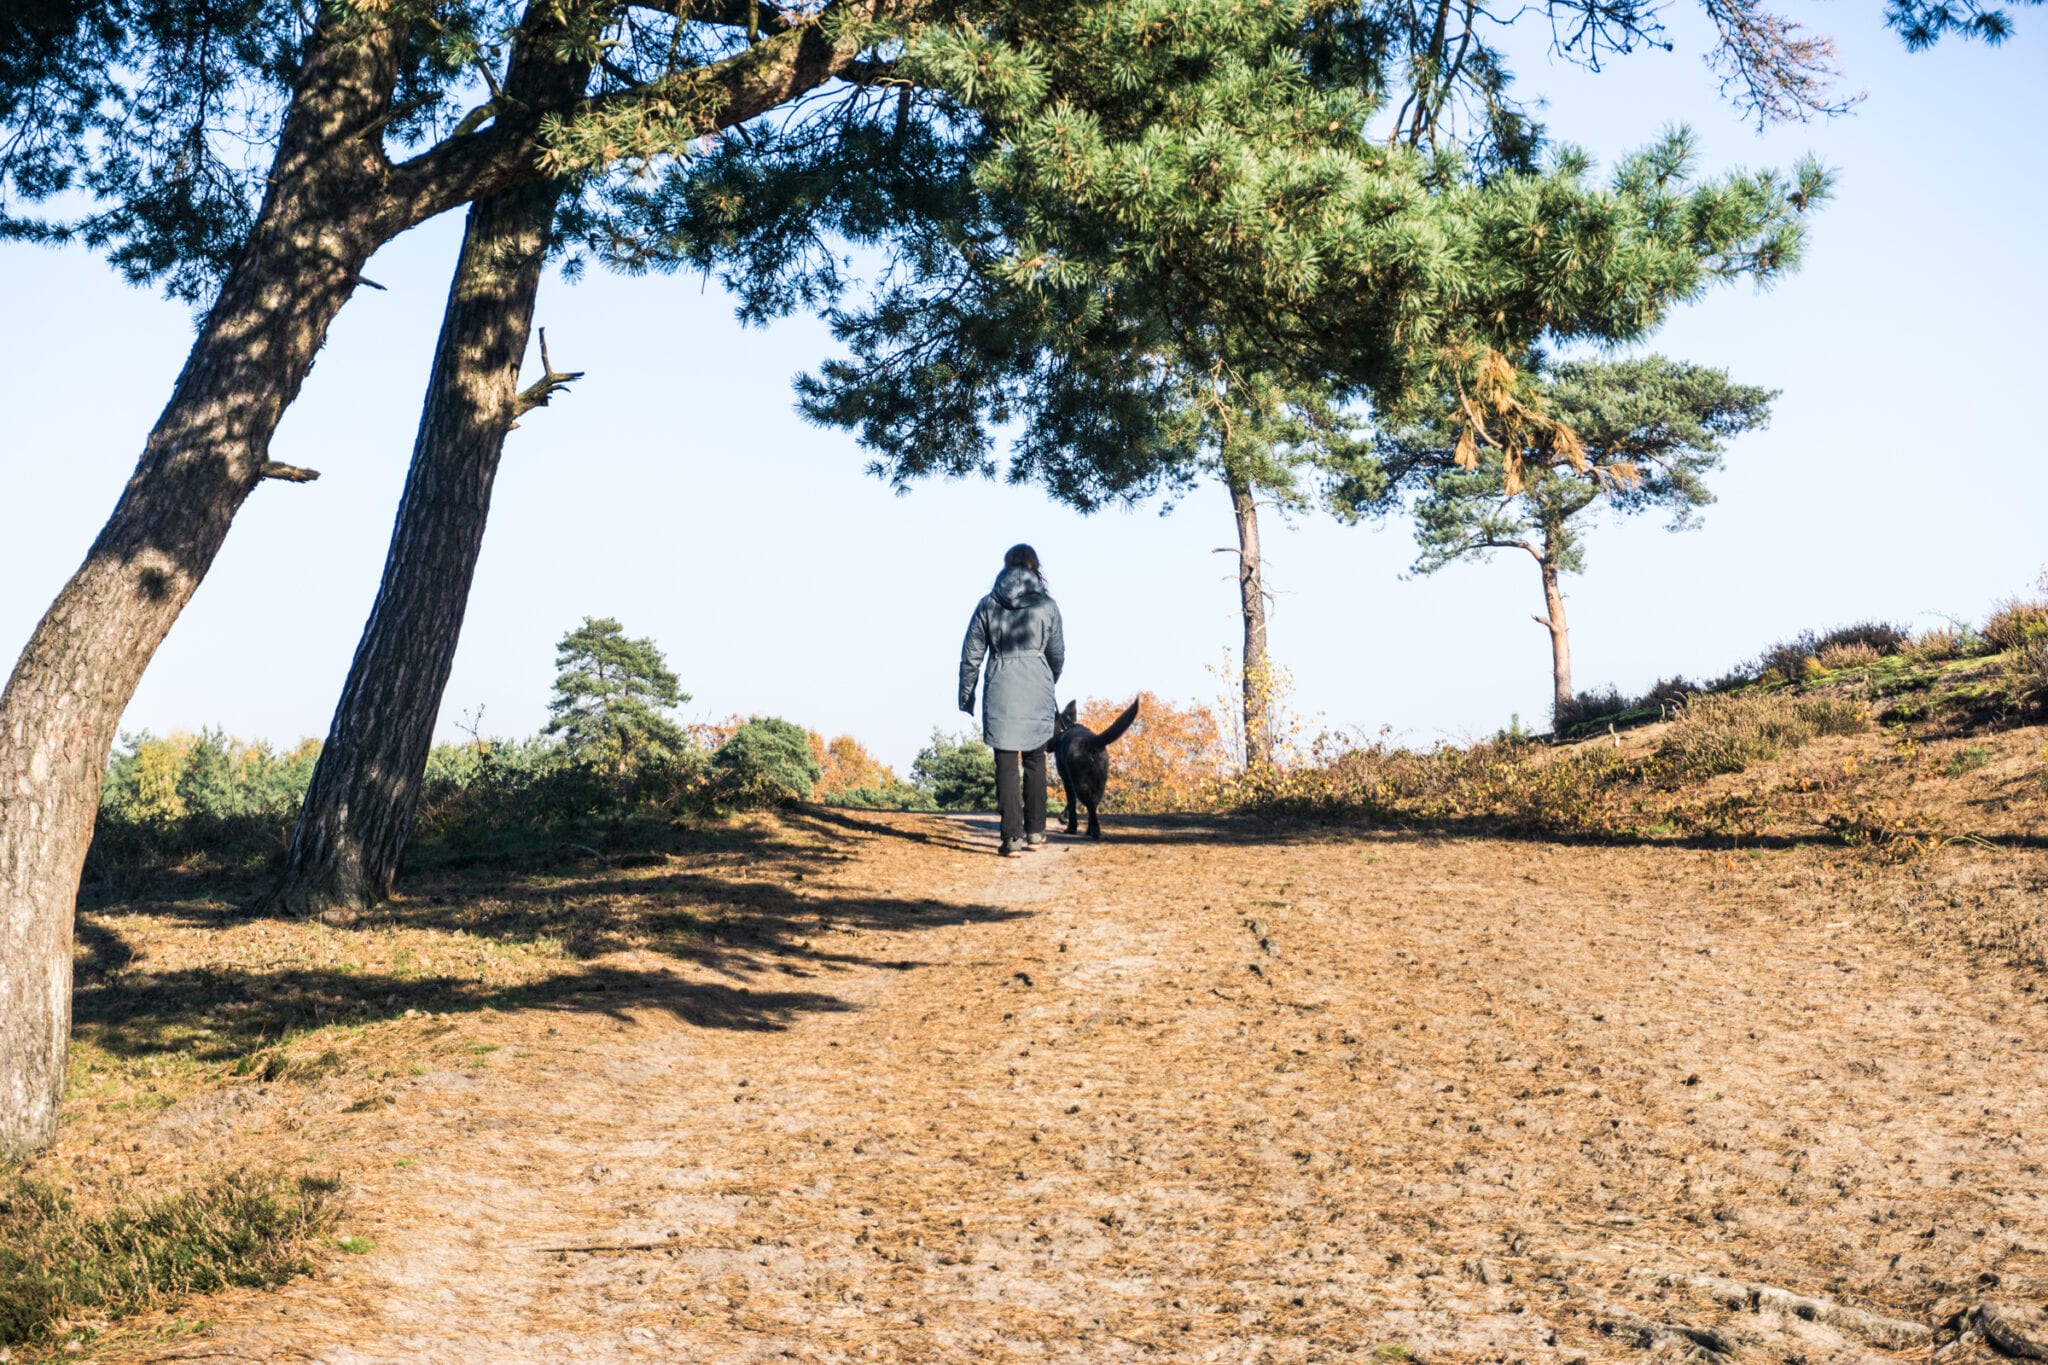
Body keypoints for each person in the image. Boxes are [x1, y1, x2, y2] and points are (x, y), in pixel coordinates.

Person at [959, 544, 1066, 856]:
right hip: (1037, 684)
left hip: (1001, 684)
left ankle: (1011, 839)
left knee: (1005, 761)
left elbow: (971, 655)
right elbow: (1057, 654)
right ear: (1035, 568)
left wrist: (967, 693)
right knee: (1035, 759)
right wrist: (1048, 679)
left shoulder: (988, 605)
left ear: (1005, 567)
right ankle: (1035, 832)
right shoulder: (1048, 606)